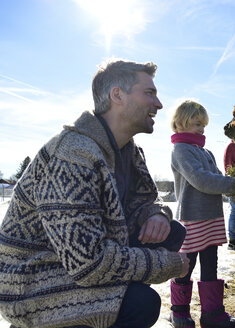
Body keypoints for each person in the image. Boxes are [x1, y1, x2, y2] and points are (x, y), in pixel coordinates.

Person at [0, 59, 190, 328]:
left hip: (73, 265)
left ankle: (107, 306)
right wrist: (167, 264)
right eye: (149, 93)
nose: (159, 104)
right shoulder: (72, 155)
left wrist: (156, 213)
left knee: (173, 231)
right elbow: (88, 262)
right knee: (142, 303)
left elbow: (146, 199)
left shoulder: (128, 150)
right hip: (31, 280)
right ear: (117, 95)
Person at [169, 100, 235, 328]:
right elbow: (201, 180)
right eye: (196, 124)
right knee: (186, 265)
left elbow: (217, 176)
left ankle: (212, 314)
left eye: (203, 125)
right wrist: (234, 184)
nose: (201, 129)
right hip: (191, 217)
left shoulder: (206, 151)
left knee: (210, 264)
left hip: (211, 217)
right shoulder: (181, 150)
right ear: (180, 123)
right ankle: (179, 312)